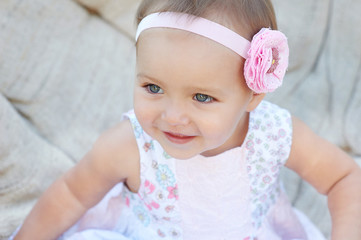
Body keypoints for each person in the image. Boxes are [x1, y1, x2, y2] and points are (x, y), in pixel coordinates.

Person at [11, 0, 361, 239]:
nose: (173, 116)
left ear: (253, 94)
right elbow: (71, 194)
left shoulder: (273, 134)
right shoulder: (129, 145)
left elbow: (344, 177)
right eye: (153, 87)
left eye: (202, 97)